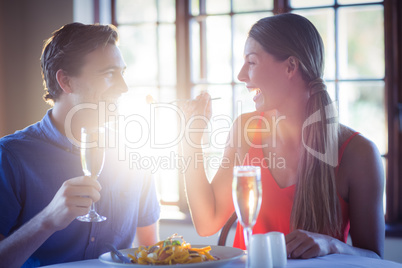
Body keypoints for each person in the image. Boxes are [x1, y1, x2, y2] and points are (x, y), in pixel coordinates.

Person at [181, 13, 384, 259]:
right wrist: (189, 139)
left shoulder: (359, 154)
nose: (241, 75)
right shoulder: (246, 130)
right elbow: (207, 221)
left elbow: (374, 258)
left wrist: (332, 245)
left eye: (252, 62)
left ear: (290, 66)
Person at [0, 23, 160, 267]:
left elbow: (151, 252)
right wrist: (47, 220)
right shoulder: (10, 157)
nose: (123, 87)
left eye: (122, 73)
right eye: (108, 74)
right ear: (66, 81)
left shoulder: (134, 152)